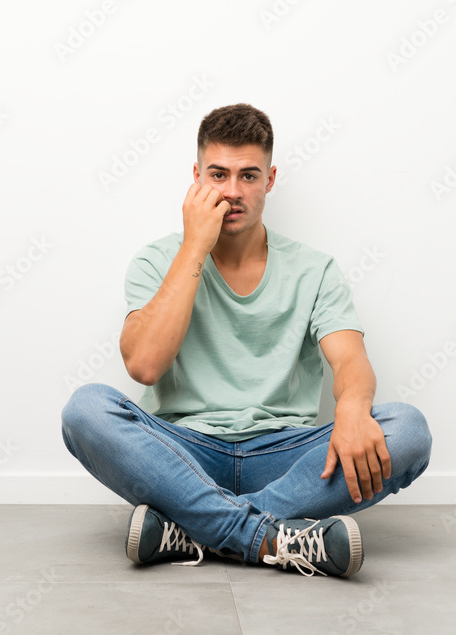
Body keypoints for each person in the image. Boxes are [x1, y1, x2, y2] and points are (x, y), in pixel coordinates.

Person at [62, 103, 432, 577]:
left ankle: (193, 529)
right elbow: (144, 366)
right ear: (195, 176)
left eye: (248, 176)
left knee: (408, 429)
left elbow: (350, 361)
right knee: (86, 410)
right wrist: (196, 244)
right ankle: (273, 538)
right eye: (218, 175)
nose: (233, 192)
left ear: (270, 179)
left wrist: (353, 408)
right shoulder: (157, 261)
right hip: (183, 453)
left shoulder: (313, 269)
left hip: (283, 456)